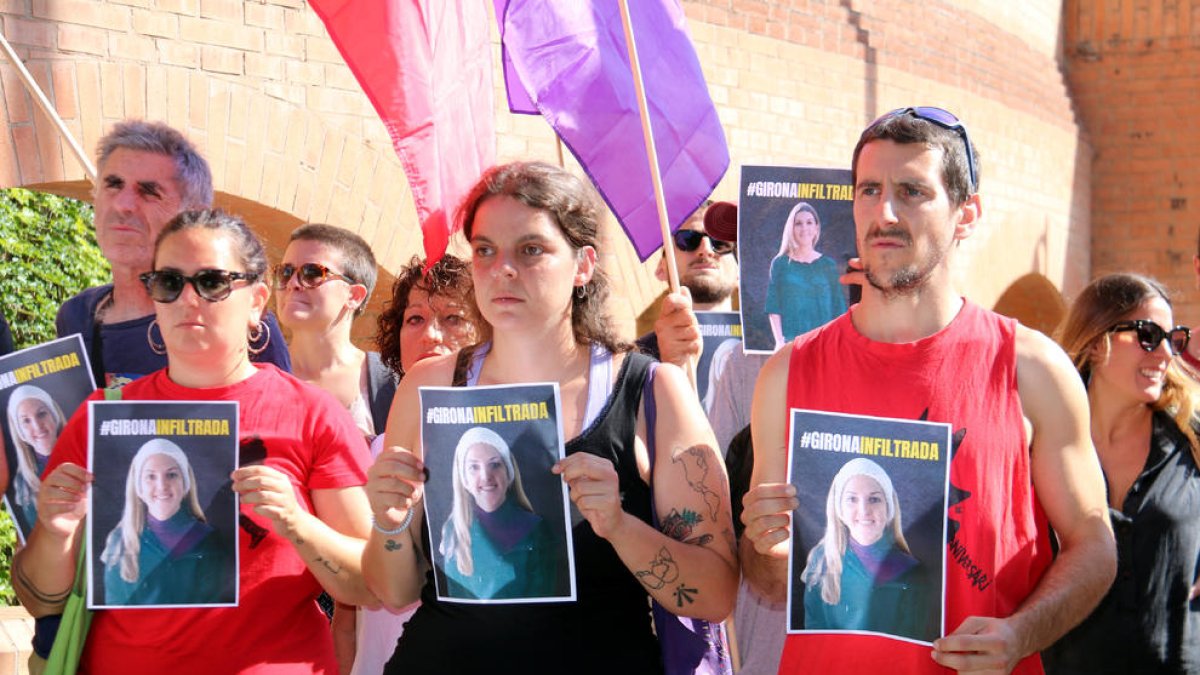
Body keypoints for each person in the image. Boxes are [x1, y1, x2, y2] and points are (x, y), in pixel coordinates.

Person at [741, 106, 1116, 674]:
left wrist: (1021, 633)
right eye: (869, 190)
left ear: (966, 214)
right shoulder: (788, 372)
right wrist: (764, 547)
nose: (884, 213)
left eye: (912, 191)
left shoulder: (1032, 368)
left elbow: (1094, 544)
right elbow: (771, 580)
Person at [364, 161, 737, 673]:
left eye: (531, 249)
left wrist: (619, 526)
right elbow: (394, 591)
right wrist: (390, 522)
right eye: (485, 250)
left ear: (583, 265)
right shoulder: (428, 386)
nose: (503, 269)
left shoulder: (650, 390)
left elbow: (715, 594)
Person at [13, 209, 375, 673]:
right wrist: (56, 531)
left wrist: (298, 524)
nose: (188, 299)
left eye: (211, 282)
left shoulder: (312, 414)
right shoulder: (102, 416)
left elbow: (368, 586)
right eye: (169, 282)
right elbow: (39, 599)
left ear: (256, 301)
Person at [55, 120, 290, 389]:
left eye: (149, 192)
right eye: (113, 185)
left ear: (192, 215)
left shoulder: (235, 317)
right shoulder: (77, 317)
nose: (123, 205)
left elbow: (280, 410)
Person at [1042, 273, 1200, 673]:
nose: (1165, 353)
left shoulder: (1192, 438)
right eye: (1148, 335)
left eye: (1173, 339)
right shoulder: (1038, 441)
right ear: (1097, 342)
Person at [341, 253, 478, 675]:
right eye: (414, 318)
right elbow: (349, 606)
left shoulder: (512, 448)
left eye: (453, 318)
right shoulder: (370, 452)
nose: (431, 335)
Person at [274, 223, 386, 438]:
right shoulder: (252, 372)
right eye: (285, 272)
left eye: (312, 273)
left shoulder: (388, 383)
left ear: (354, 296)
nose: (292, 283)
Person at [801, 458, 930, 641]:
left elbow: (914, 637)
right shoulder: (822, 560)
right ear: (839, 509)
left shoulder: (911, 571)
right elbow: (813, 629)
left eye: (874, 499)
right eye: (852, 499)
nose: (864, 510)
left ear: (889, 508)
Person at [100, 438, 231, 606]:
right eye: (150, 476)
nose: (162, 486)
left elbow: (214, 605)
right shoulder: (119, 542)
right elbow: (114, 607)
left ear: (185, 484)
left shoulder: (208, 540)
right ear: (139, 488)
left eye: (171, 475)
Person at [438, 426, 560, 599]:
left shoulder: (537, 530)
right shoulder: (454, 531)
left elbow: (543, 596)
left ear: (508, 473)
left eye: (495, 465)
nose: (486, 476)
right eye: (474, 467)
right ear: (464, 479)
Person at [765, 201, 847, 349]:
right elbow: (774, 306)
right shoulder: (780, 264)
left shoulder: (828, 265)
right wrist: (779, 341)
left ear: (816, 228)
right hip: (792, 345)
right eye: (798, 223)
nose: (804, 228)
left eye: (809, 222)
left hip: (824, 344)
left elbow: (839, 308)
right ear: (791, 228)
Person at [6, 385, 66, 532]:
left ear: (54, 416)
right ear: (20, 432)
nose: (38, 426)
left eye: (41, 414)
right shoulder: (23, 482)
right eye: (26, 421)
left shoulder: (88, 452)